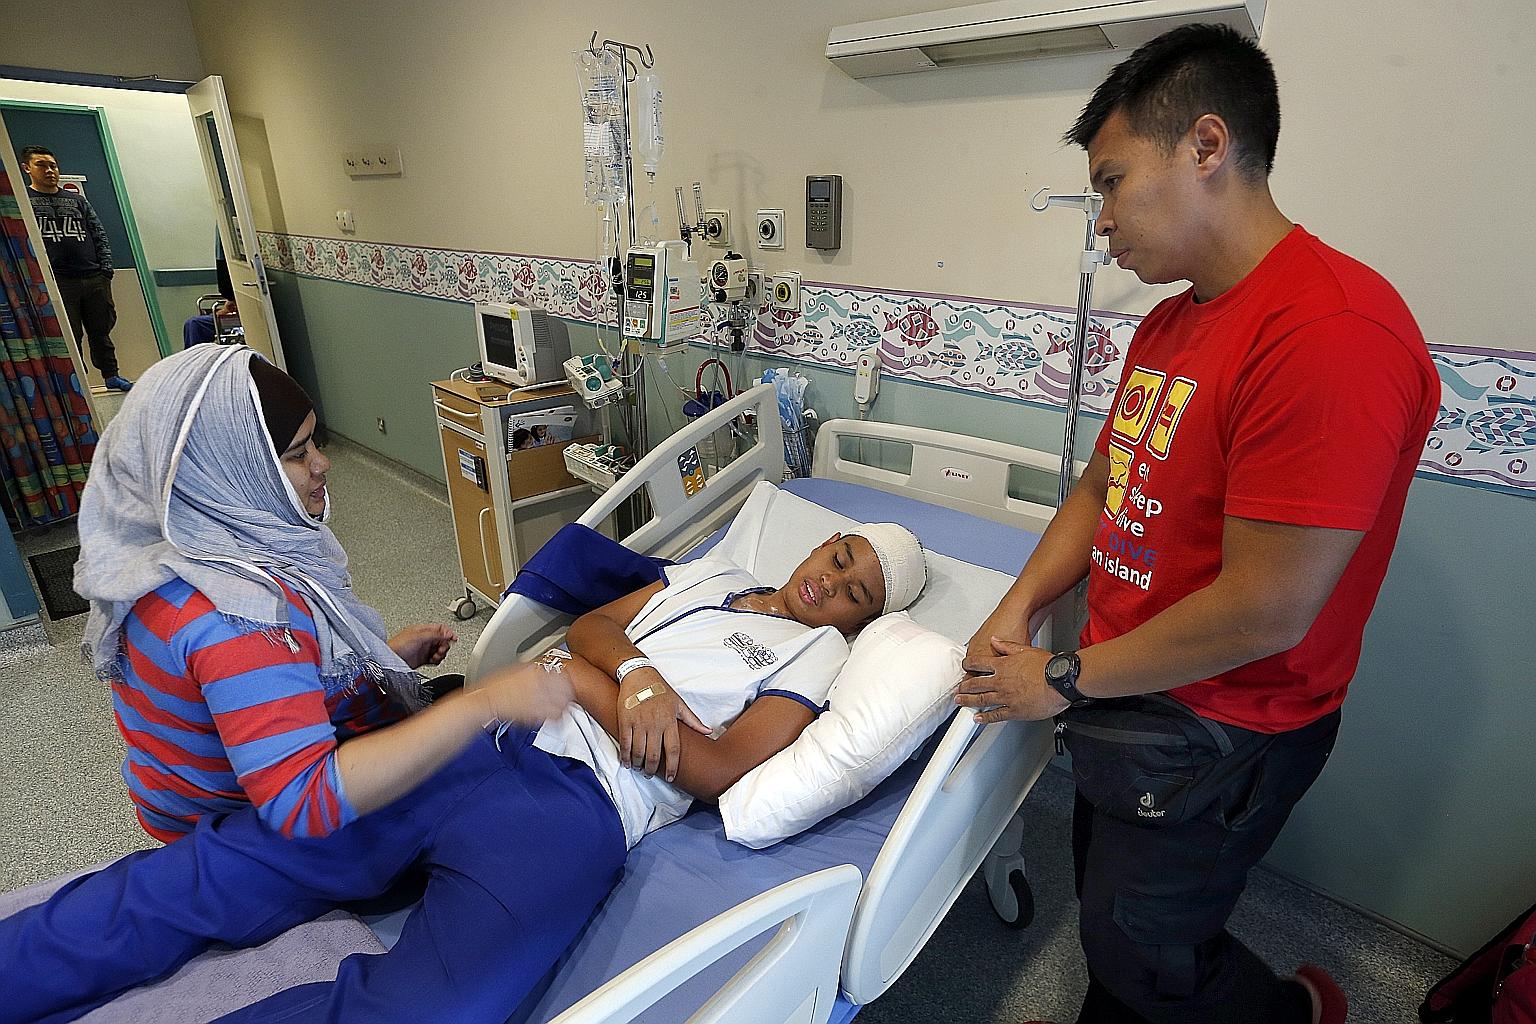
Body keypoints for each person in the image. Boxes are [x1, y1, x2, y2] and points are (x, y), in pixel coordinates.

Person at [0, 344, 928, 1022]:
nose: (830, 583)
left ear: (860, 622)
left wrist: (594, 683)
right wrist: (634, 670)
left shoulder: (820, 660)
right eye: (839, 554)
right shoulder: (713, 573)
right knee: (215, 873)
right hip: (480, 742)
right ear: (818, 537)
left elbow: (721, 768)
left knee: (426, 1013)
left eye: (854, 594)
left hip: (576, 809)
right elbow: (603, 620)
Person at [955, 25, 1436, 1024]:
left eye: (1112, 181)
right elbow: (1101, 487)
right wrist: (1021, 606)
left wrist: (1058, 679)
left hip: (1227, 724)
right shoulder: (1170, 325)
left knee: (1148, 953)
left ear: (1207, 147)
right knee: (1116, 917)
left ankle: (1295, 1010)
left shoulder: (1329, 334)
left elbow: (1266, 612)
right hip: (1129, 685)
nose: (1102, 223)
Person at [20, 145, 133, 391]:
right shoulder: (23, 201)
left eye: (53, 165)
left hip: (93, 278)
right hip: (57, 282)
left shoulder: (77, 200)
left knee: (101, 332)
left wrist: (105, 272)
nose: (50, 170)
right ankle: (78, 384)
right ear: (26, 168)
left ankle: (111, 376)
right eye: (41, 165)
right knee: (69, 336)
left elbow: (99, 234)